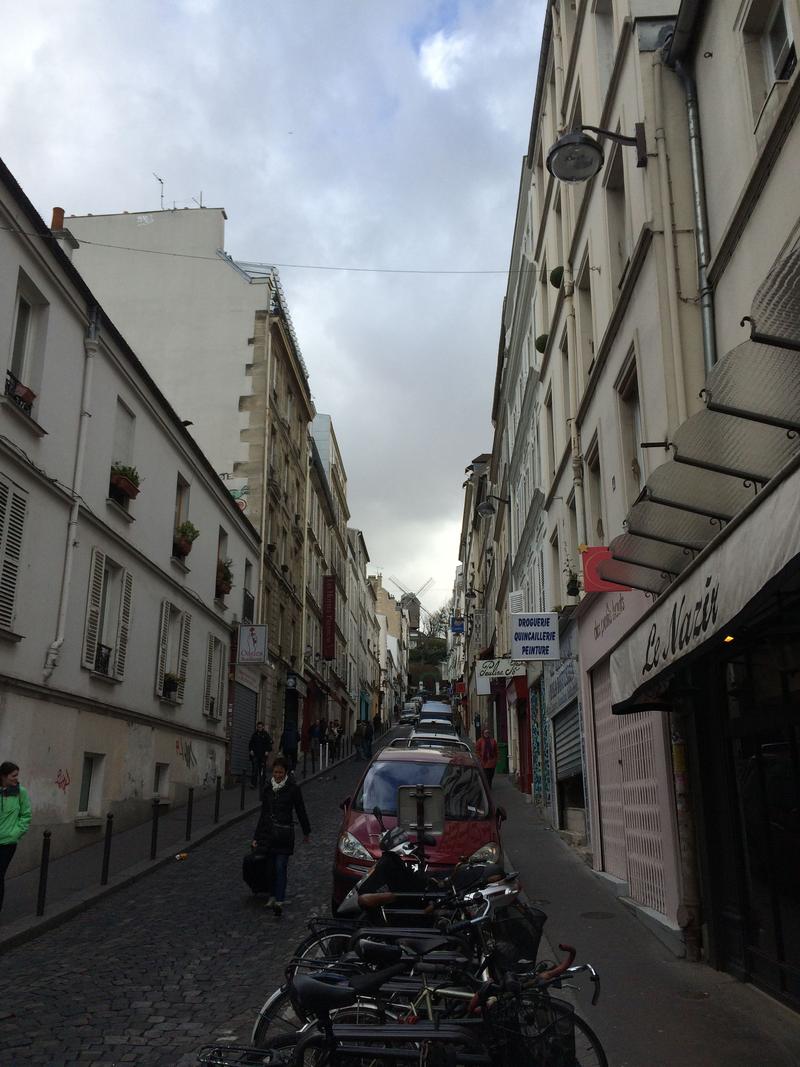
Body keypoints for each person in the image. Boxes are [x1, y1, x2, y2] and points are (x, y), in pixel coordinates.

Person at [248, 756, 310, 917]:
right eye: (275, 772)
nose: (277, 775)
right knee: (269, 869)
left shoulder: (293, 789)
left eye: (280, 772)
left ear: (286, 772)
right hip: (268, 834)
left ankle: (280, 900)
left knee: (280, 866)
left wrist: (306, 831)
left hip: (283, 834)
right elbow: (264, 814)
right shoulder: (268, 788)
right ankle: (272, 896)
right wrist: (256, 836)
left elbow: (300, 809)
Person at [0, 761, 32, 913]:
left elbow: (26, 815)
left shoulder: (21, 792)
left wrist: (17, 832)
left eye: (17, 775)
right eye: (13, 776)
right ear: (3, 776)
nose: (16, 779)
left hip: (8, 843)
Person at [248, 722, 273, 789]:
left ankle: (262, 784)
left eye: (260, 727)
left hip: (263, 756)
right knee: (254, 770)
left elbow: (270, 743)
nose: (259, 728)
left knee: (262, 770)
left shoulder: (265, 734)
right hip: (255, 755)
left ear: (263, 727)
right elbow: (251, 743)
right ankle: (253, 784)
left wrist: (267, 751)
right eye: (258, 727)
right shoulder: (254, 735)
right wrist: (251, 750)